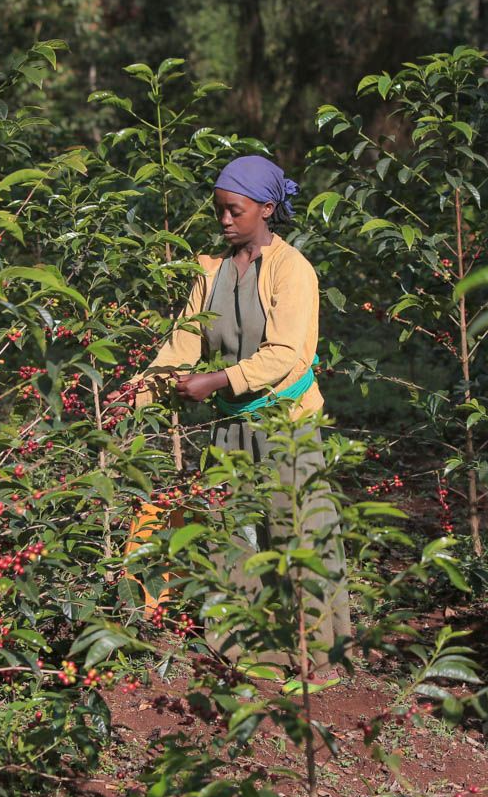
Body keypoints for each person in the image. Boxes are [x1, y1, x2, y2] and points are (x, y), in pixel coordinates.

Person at [128, 155, 351, 692]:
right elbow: (182, 346)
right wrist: (133, 397)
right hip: (230, 428)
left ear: (266, 209)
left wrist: (217, 380)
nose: (225, 221)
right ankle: (250, 648)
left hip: (284, 425)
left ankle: (321, 658)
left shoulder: (291, 269)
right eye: (220, 211)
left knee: (299, 534)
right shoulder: (210, 272)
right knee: (237, 539)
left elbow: (287, 355)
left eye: (235, 210)